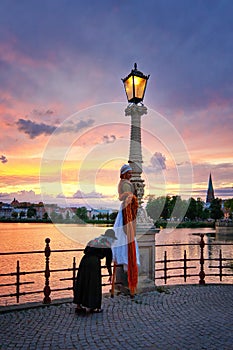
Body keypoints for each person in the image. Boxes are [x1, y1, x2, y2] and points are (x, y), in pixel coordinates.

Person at [73, 228, 117, 314]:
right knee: (94, 285)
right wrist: (110, 274)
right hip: (94, 263)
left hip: (84, 261)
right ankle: (93, 307)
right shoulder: (107, 245)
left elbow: (85, 250)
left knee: (82, 281)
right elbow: (108, 261)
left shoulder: (94, 240)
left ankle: (78, 305)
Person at [112, 164, 140, 297]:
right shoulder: (123, 184)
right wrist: (130, 196)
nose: (130, 174)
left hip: (128, 210)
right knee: (126, 238)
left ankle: (127, 280)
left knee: (127, 239)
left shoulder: (127, 183)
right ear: (124, 173)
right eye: (128, 172)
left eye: (131, 172)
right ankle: (128, 282)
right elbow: (124, 197)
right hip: (126, 212)